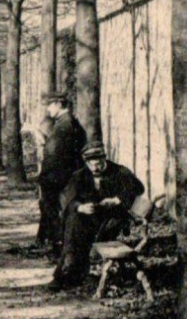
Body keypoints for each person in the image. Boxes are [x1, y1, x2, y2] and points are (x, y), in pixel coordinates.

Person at [50, 141, 145, 289]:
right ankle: (69, 272)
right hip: (89, 219)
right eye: (92, 164)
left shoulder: (119, 172)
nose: (96, 167)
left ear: (104, 158)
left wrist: (117, 200)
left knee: (75, 228)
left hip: (111, 221)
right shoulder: (80, 176)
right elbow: (67, 199)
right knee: (74, 220)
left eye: (100, 163)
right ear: (86, 162)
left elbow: (138, 188)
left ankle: (67, 273)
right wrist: (80, 207)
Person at [37, 92, 86, 258]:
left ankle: (60, 250)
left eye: (50, 105)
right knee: (54, 213)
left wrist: (48, 178)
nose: (48, 109)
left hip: (59, 179)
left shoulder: (66, 125)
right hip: (58, 178)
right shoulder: (64, 123)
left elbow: (60, 157)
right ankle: (56, 247)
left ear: (59, 104)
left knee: (58, 214)